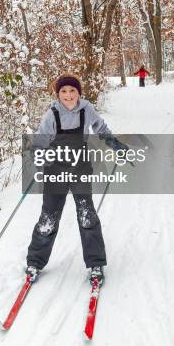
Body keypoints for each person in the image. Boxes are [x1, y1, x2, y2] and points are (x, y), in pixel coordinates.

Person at [25, 73, 127, 288]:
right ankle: (35, 262)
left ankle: (96, 264)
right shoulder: (52, 114)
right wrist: (38, 156)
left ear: (79, 92)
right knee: (49, 217)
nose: (68, 95)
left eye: (72, 90)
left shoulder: (87, 110)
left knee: (86, 214)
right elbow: (40, 141)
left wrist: (115, 144)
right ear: (58, 94)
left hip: (80, 168)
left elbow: (101, 129)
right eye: (64, 91)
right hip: (55, 170)